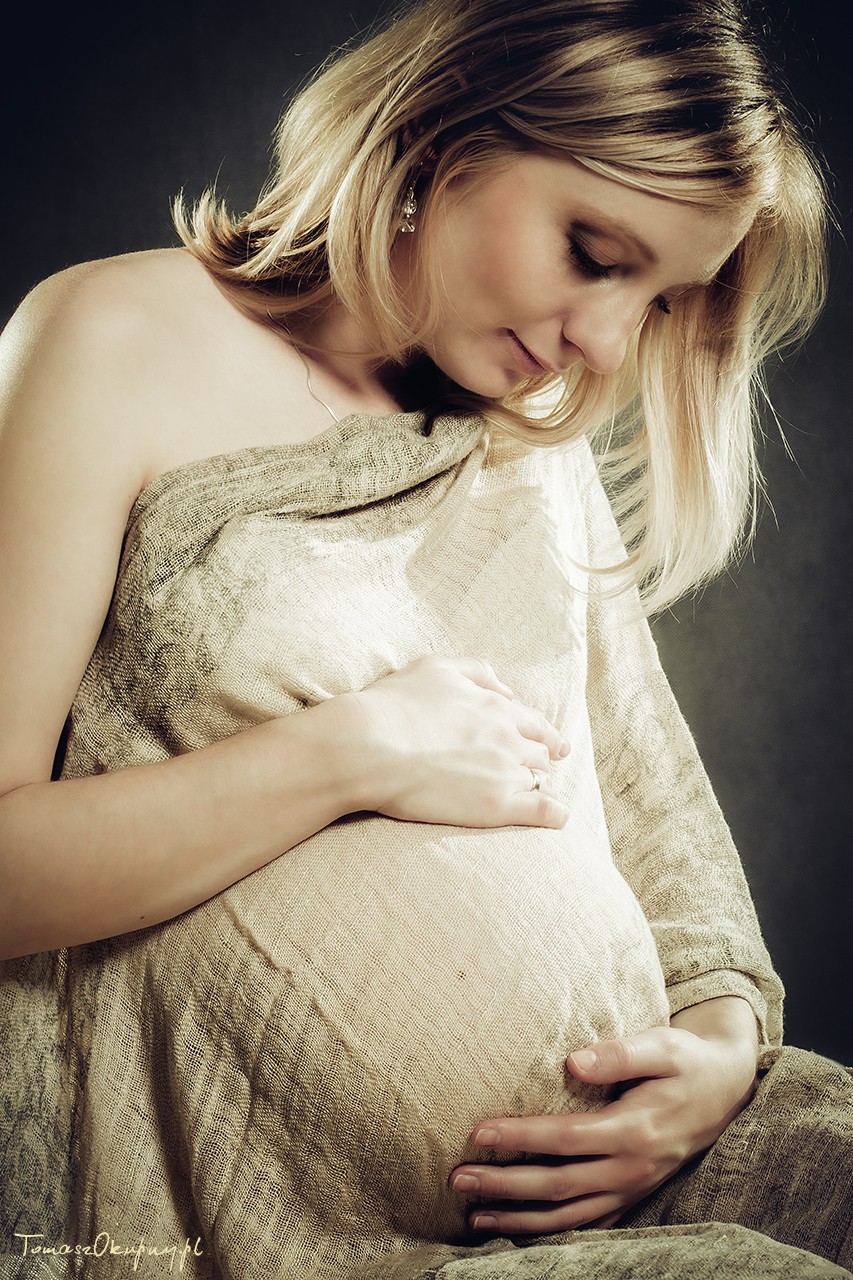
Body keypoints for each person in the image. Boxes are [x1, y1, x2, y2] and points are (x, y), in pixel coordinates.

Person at [0, 1, 849, 1278]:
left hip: (670, 1164)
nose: (606, 343)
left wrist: (717, 1056)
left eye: (657, 298)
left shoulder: (533, 440)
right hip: (334, 1238)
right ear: (445, 132)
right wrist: (345, 751)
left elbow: (658, 816)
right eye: (593, 250)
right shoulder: (113, 338)